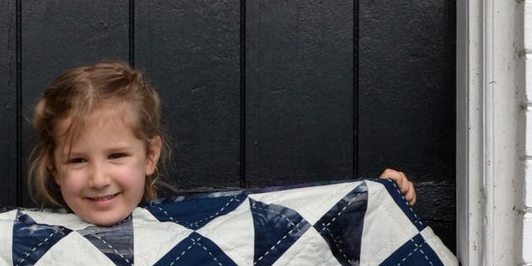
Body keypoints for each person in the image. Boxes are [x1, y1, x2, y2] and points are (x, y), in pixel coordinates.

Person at [28, 59, 415, 228]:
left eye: (116, 156)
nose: (98, 177)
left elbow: (288, 231)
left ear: (149, 155)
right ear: (52, 166)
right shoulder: (19, 246)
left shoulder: (198, 230)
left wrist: (371, 200)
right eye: (78, 160)